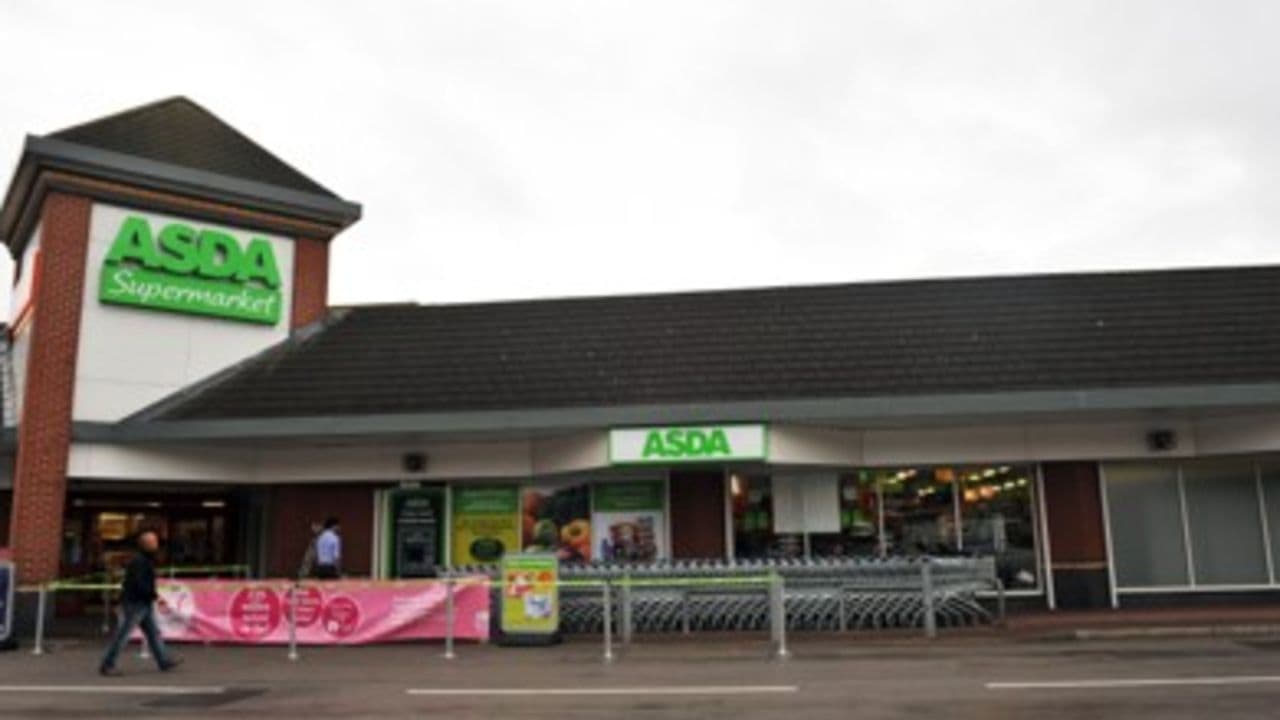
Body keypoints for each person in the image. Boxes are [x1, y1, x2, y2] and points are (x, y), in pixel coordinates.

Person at [99, 530, 182, 676]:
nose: (157, 544)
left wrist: (153, 596)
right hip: (136, 602)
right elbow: (141, 584)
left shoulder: (142, 560)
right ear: (147, 544)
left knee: (153, 632)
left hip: (141, 601)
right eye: (154, 541)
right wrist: (154, 596)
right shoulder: (141, 562)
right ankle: (108, 664)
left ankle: (163, 660)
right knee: (124, 634)